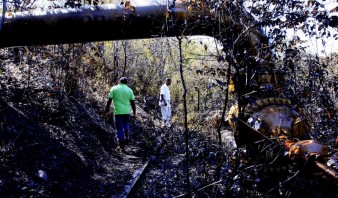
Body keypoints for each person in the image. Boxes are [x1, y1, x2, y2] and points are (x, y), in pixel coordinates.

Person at [105, 77, 136, 149]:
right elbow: (133, 103)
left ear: (119, 82)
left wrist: (106, 110)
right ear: (126, 83)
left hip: (118, 112)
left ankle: (121, 144)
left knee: (119, 128)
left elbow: (109, 101)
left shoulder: (114, 88)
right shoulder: (130, 90)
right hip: (126, 112)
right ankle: (127, 136)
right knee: (125, 124)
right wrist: (134, 113)